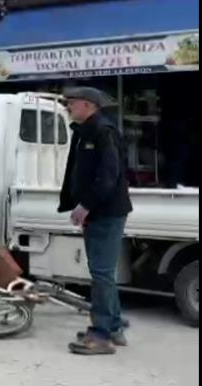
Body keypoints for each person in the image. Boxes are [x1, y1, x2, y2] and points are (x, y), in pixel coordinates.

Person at [59, 87, 132, 356]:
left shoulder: (103, 131)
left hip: (106, 212)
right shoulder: (85, 131)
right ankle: (112, 326)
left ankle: (101, 335)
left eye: (72, 103)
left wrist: (86, 205)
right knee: (103, 273)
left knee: (101, 273)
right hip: (97, 211)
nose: (68, 107)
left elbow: (109, 175)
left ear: (88, 105)